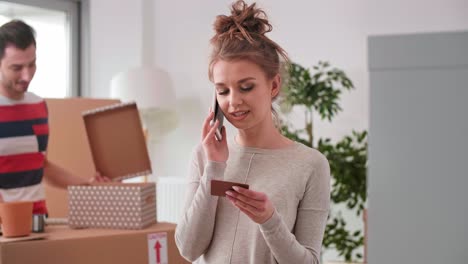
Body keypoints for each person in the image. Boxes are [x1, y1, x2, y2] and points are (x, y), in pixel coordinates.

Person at [175, 1, 331, 263]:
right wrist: (214, 166)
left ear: (274, 85)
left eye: (245, 87)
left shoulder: (310, 164)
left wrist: (269, 221)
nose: (233, 101)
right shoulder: (204, 156)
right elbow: (188, 249)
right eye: (222, 90)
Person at [0, 20, 109, 215]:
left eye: (32, 64)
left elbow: (42, 166)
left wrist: (88, 186)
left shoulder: (38, 106)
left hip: (38, 220)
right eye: (17, 68)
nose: (27, 76)